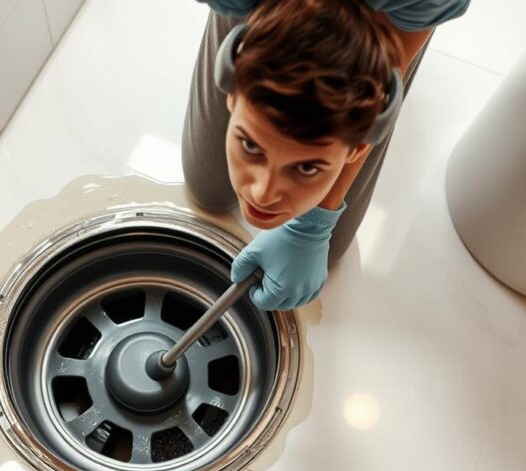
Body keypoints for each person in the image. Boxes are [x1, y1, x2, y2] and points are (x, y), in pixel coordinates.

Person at [182, 0, 469, 310]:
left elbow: (377, 102)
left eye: (306, 167)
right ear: (232, 91)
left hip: (391, 14)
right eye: (251, 146)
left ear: (356, 146)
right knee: (208, 187)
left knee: (331, 248)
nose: (262, 193)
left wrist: (314, 224)